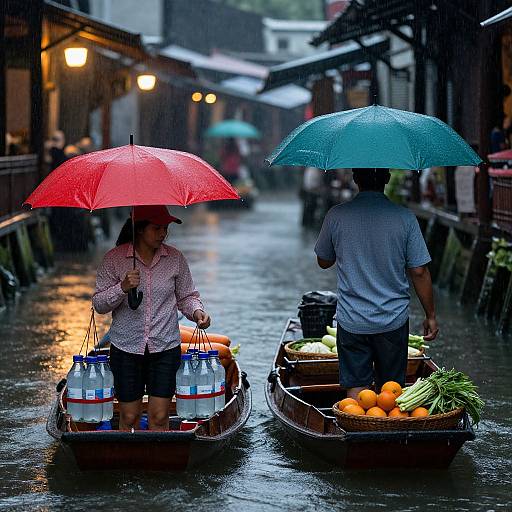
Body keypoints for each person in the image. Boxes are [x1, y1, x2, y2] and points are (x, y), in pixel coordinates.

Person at [314, 168, 439, 400]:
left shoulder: (336, 215)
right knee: (391, 391)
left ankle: (358, 425)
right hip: (392, 319)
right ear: (387, 178)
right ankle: (387, 430)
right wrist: (430, 315)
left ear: (355, 178)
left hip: (352, 319)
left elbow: (323, 261)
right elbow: (419, 271)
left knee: (356, 390)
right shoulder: (405, 217)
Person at [92, 205, 211, 431]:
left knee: (158, 416)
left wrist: (197, 312)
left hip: (165, 347)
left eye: (165, 228)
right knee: (128, 417)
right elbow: (99, 304)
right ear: (139, 229)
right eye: (156, 228)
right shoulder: (114, 259)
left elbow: (187, 296)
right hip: (126, 348)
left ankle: (157, 465)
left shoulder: (175, 259)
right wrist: (123, 287)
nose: (162, 234)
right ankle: (128, 464)